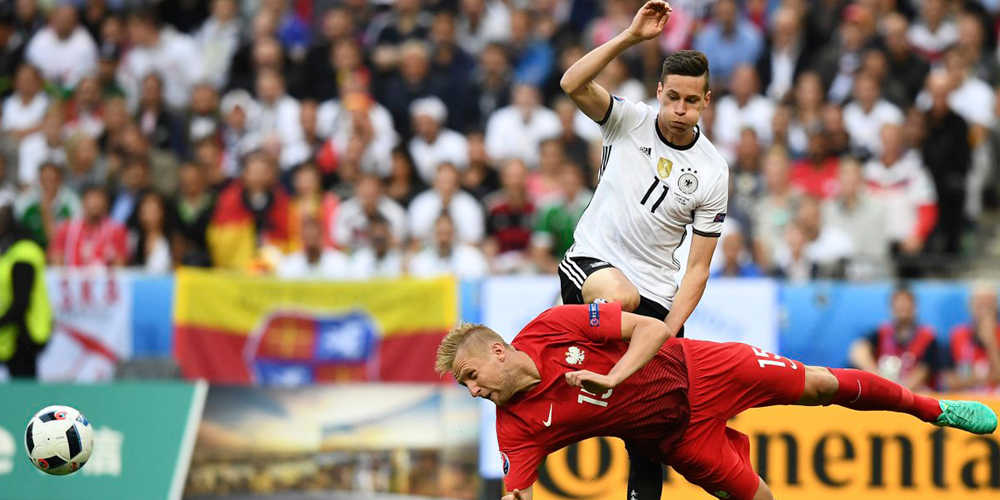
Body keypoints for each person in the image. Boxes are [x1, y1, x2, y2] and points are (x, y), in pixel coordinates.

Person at [434, 301, 998, 500]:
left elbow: (653, 328)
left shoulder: (554, 326)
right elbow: (517, 492)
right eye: (466, 387)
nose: (475, 391)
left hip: (702, 368)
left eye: (472, 376)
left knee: (823, 386)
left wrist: (613, 378)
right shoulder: (515, 429)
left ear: (499, 352)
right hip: (678, 439)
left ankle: (933, 410)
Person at [559, 3, 729, 497]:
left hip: (657, 293)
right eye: (672, 97)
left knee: (653, 433)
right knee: (622, 298)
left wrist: (667, 334)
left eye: (691, 101)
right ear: (659, 92)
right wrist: (631, 37)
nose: (680, 109)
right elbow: (571, 83)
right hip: (593, 265)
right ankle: (569, 355)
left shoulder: (713, 171)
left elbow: (697, 270)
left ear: (706, 102)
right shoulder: (627, 120)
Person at [848, 286, 941, 391]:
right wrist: (875, 376)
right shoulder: (881, 333)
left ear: (914, 307)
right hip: (885, 390)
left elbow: (923, 371)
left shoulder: (928, 338)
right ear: (891, 308)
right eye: (898, 306)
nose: (902, 309)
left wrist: (896, 392)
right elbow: (858, 351)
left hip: (915, 394)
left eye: (905, 306)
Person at [0, 205, 50, 378]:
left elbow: (21, 301)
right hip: (13, 332)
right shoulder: (9, 248)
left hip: (25, 331)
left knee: (23, 383)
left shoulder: (23, 252)